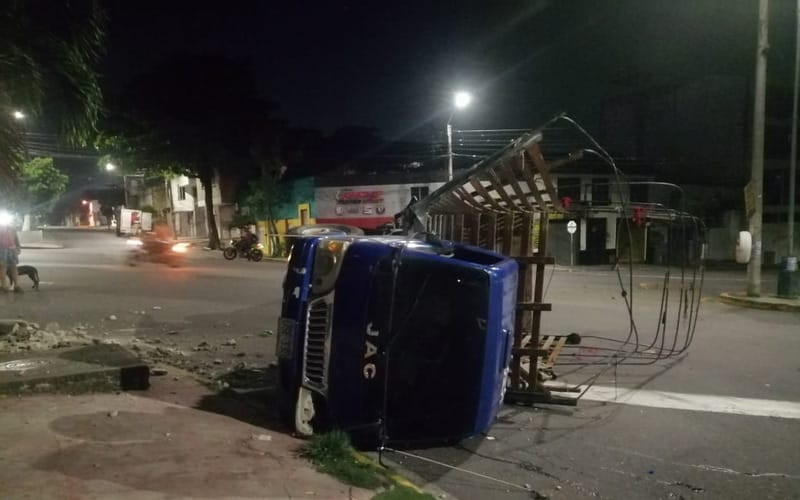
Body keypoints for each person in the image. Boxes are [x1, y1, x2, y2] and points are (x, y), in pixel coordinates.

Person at [0, 217, 22, 293]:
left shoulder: (12, 228)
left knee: (14, 268)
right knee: (3, 268)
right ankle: (4, 286)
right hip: (1, 250)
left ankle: (16, 286)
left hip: (12, 249)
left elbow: (16, 238)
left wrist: (18, 248)